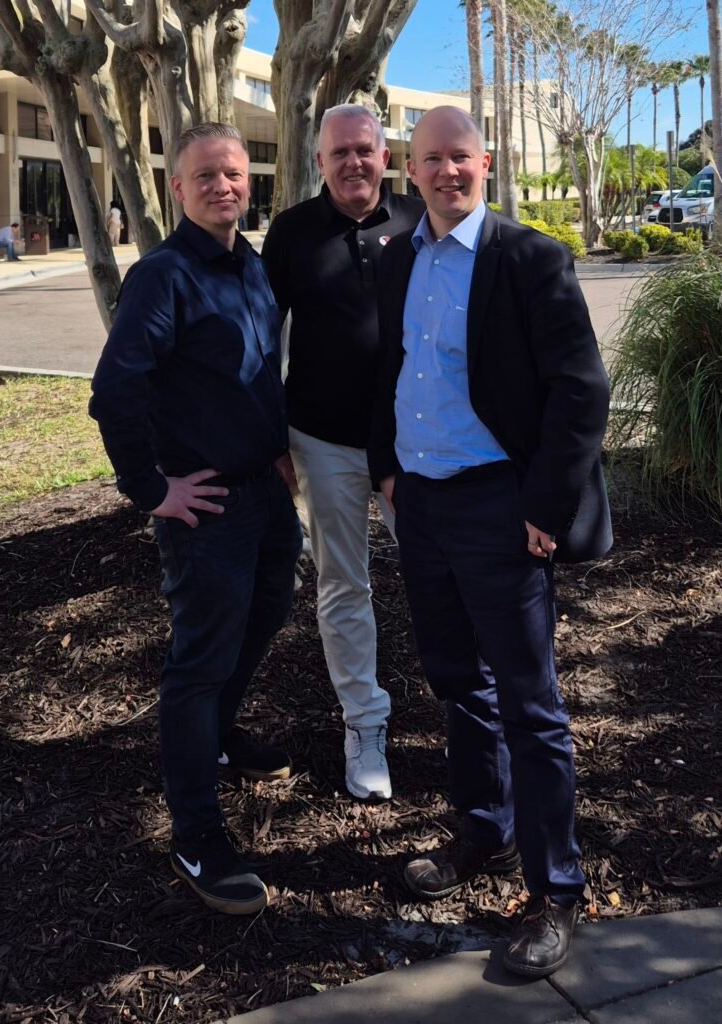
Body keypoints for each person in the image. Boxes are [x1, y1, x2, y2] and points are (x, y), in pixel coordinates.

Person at [369, 106, 612, 977]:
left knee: (526, 701)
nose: (446, 172)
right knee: (456, 682)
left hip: (500, 508)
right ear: (410, 170)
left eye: (459, 157)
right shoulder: (397, 259)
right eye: (430, 159)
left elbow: (581, 389)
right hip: (421, 506)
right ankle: (485, 835)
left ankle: (556, 890)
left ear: (486, 162)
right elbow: (387, 367)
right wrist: (386, 471)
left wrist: (544, 504)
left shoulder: (528, 257)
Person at [90, 123, 302, 916]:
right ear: (177, 189)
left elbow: (257, 370)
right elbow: (115, 392)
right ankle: (195, 835)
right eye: (205, 175)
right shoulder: (163, 276)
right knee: (199, 662)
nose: (223, 185)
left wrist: (278, 446)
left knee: (266, 617)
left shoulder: (252, 264)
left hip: (265, 493)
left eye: (234, 173)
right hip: (205, 509)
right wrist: (151, 491)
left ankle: (217, 732)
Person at [262, 105, 423, 801]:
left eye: (364, 149)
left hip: (415, 444)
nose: (353, 162)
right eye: (339, 152)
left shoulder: (420, 219)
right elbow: (261, 337)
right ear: (319, 161)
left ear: (385, 155)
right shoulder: (292, 232)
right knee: (343, 587)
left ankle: (470, 714)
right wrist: (273, 437)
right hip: (322, 440)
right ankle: (364, 724)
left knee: (440, 574)